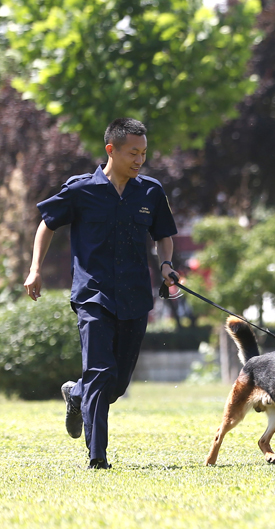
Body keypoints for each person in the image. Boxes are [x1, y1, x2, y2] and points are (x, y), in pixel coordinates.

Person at [23, 118, 179, 469]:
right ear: (111, 150)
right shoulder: (81, 190)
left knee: (117, 383)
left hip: (136, 296)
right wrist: (35, 270)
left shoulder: (150, 191)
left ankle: (75, 394)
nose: (139, 160)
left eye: (143, 153)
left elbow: (163, 235)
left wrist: (166, 265)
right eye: (132, 153)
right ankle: (98, 457)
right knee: (99, 371)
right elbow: (46, 224)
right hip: (92, 294)